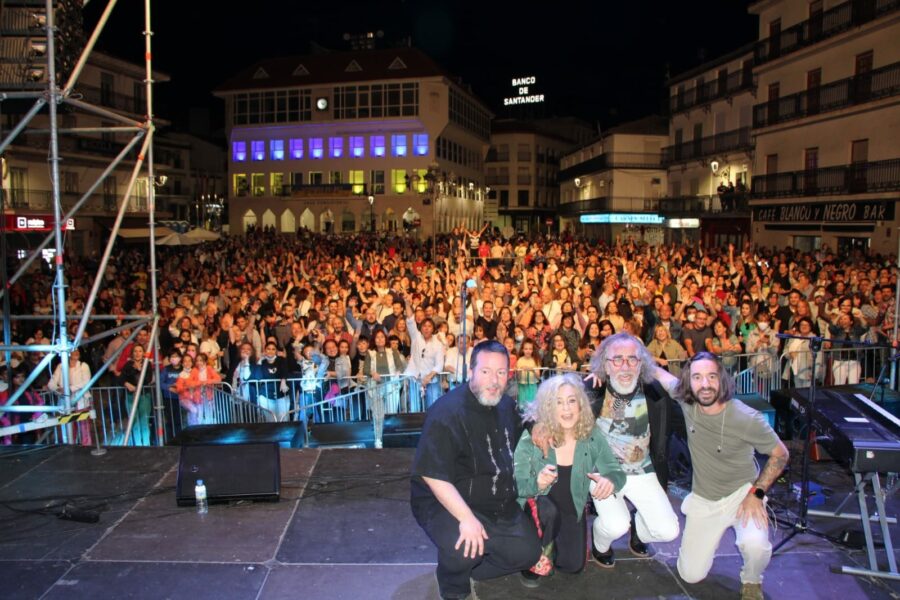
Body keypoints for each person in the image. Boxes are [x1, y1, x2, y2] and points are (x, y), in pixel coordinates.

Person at [410, 340, 541, 600]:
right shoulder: (446, 412)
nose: (494, 380)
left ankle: (472, 567)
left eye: (501, 372)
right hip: (446, 502)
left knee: (529, 554)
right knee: (465, 547)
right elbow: (432, 475)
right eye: (485, 371)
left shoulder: (504, 404)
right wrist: (466, 519)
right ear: (470, 372)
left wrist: (537, 427)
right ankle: (452, 583)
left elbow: (523, 424)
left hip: (495, 502)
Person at [668, 352, 789, 600]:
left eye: (711, 376)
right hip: (704, 499)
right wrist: (630, 351)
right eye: (697, 377)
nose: (704, 384)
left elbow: (781, 454)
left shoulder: (746, 417)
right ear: (688, 382)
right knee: (690, 575)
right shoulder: (688, 403)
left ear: (721, 379)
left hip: (742, 495)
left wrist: (757, 493)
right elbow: (658, 374)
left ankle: (752, 580)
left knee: (755, 546)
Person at [514, 373, 625, 585]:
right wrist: (536, 483)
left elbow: (615, 471)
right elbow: (515, 485)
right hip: (539, 511)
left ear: (581, 404)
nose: (566, 408)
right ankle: (532, 553)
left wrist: (609, 480)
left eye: (571, 401)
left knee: (573, 567)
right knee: (547, 510)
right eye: (558, 402)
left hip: (571, 509)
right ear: (548, 408)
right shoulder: (533, 438)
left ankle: (554, 546)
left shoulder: (590, 435)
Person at [586, 333, 681, 568]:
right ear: (605, 365)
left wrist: (655, 370)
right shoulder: (592, 389)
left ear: (642, 363)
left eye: (633, 359)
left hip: (642, 469)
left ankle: (639, 529)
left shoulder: (653, 392)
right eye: (617, 359)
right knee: (616, 525)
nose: (625, 366)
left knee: (668, 531)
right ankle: (600, 546)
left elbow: (689, 392)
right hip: (603, 470)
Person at [403, 294, 445, 411]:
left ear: (433, 329)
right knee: (414, 409)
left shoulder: (438, 343)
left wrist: (429, 376)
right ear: (421, 328)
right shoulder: (416, 337)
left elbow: (439, 364)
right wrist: (407, 303)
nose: (426, 328)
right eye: (424, 326)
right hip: (415, 379)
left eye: (429, 326)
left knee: (433, 409)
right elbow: (411, 320)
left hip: (432, 382)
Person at [47, 347, 93, 446]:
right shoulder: (60, 366)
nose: (76, 352)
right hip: (65, 402)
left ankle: (87, 446)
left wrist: (69, 389)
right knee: (69, 428)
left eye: (77, 351)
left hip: (81, 401)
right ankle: (70, 447)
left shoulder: (83, 366)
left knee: (84, 427)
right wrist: (59, 390)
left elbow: (86, 382)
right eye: (73, 351)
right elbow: (51, 384)